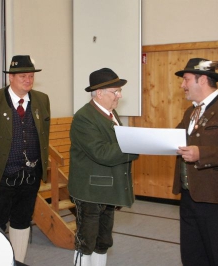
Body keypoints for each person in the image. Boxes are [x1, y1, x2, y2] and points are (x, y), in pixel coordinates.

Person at [173, 57, 218, 266]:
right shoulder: (190, 112)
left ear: (203, 80)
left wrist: (201, 154)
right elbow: (174, 137)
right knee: (192, 255)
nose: (182, 85)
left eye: (186, 79)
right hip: (189, 196)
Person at [0, 55, 50, 262]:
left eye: (30, 76)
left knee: (22, 220)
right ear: (10, 77)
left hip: (30, 177)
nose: (28, 80)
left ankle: (18, 261)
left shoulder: (42, 99)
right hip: (1, 178)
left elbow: (44, 134)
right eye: (22, 76)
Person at [68, 68, 139, 266]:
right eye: (115, 91)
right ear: (99, 93)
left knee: (103, 241)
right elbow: (101, 152)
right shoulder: (84, 117)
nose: (120, 95)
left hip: (107, 187)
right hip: (89, 191)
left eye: (119, 91)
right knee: (86, 242)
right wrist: (135, 145)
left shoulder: (110, 113)